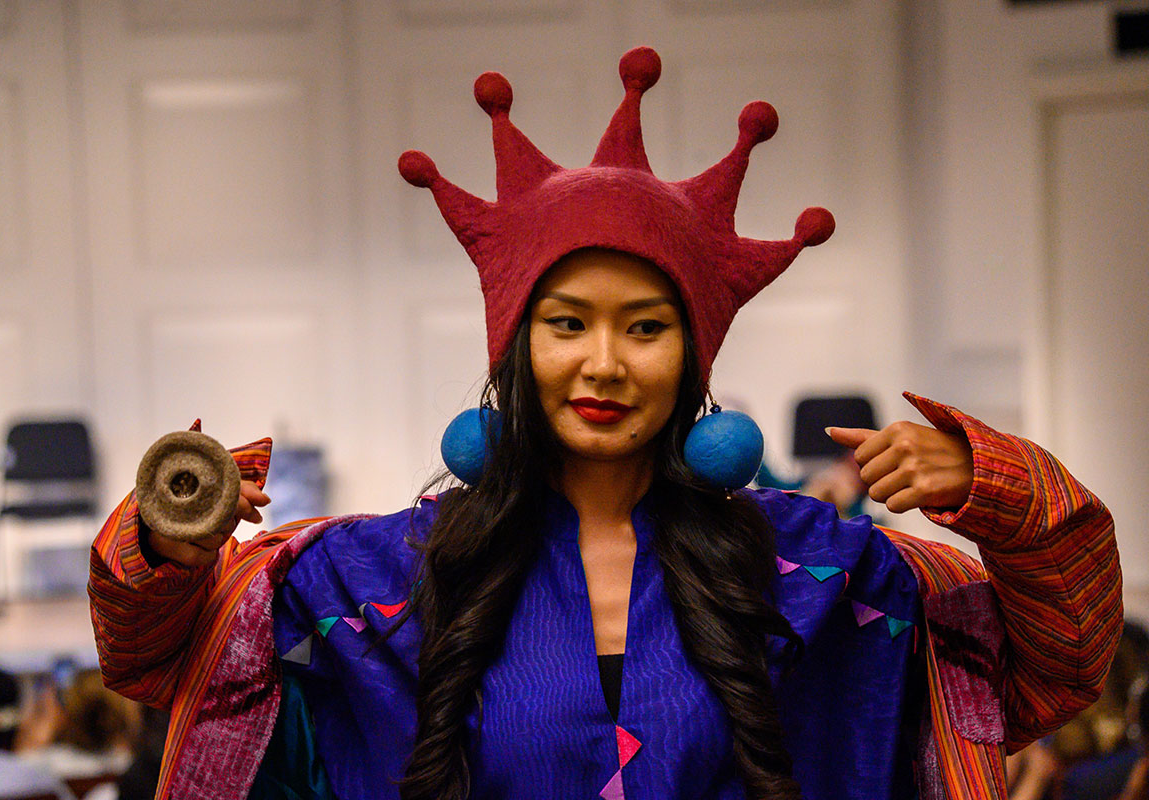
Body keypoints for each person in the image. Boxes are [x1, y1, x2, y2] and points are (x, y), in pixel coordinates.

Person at [89, 47, 1121, 800]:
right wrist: (162, 542)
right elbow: (164, 657)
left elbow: (1057, 659)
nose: (605, 362)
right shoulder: (381, 576)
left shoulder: (822, 574)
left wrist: (996, 485)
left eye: (646, 326)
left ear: (694, 358)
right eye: (568, 322)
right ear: (515, 350)